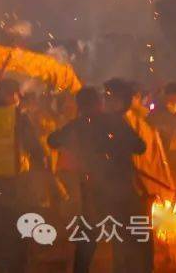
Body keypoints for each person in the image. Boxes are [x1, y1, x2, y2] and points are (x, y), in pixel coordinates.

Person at [49, 86, 149, 273]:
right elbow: (140, 147)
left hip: (91, 188)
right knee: (123, 235)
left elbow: (53, 140)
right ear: (99, 102)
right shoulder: (115, 122)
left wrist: (74, 138)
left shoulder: (78, 125)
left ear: (79, 106)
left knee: (88, 235)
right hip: (120, 188)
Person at [0, 79, 51, 273]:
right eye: (17, 95)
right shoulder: (18, 117)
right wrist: (42, 163)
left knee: (0, 226)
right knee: (21, 224)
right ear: (11, 95)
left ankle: (2, 264)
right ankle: (18, 265)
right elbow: (34, 147)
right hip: (17, 180)